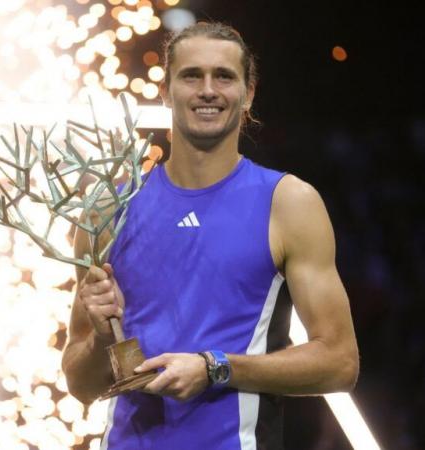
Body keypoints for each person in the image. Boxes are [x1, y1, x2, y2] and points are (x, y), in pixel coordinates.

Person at [62, 22, 359, 449]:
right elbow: (81, 384)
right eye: (191, 75)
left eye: (223, 76)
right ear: (165, 91)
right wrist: (106, 340)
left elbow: (340, 363)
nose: (207, 90)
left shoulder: (288, 203)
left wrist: (215, 368)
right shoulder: (109, 208)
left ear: (248, 93)